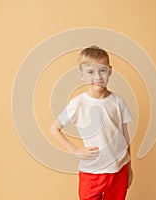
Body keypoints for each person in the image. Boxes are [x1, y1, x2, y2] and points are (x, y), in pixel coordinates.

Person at [50, 46, 133, 200]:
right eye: (90, 72)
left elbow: (125, 137)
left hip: (119, 169)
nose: (98, 77)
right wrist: (74, 150)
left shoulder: (118, 102)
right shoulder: (78, 104)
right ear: (81, 74)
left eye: (102, 70)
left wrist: (129, 168)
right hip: (93, 172)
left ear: (110, 71)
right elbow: (54, 129)